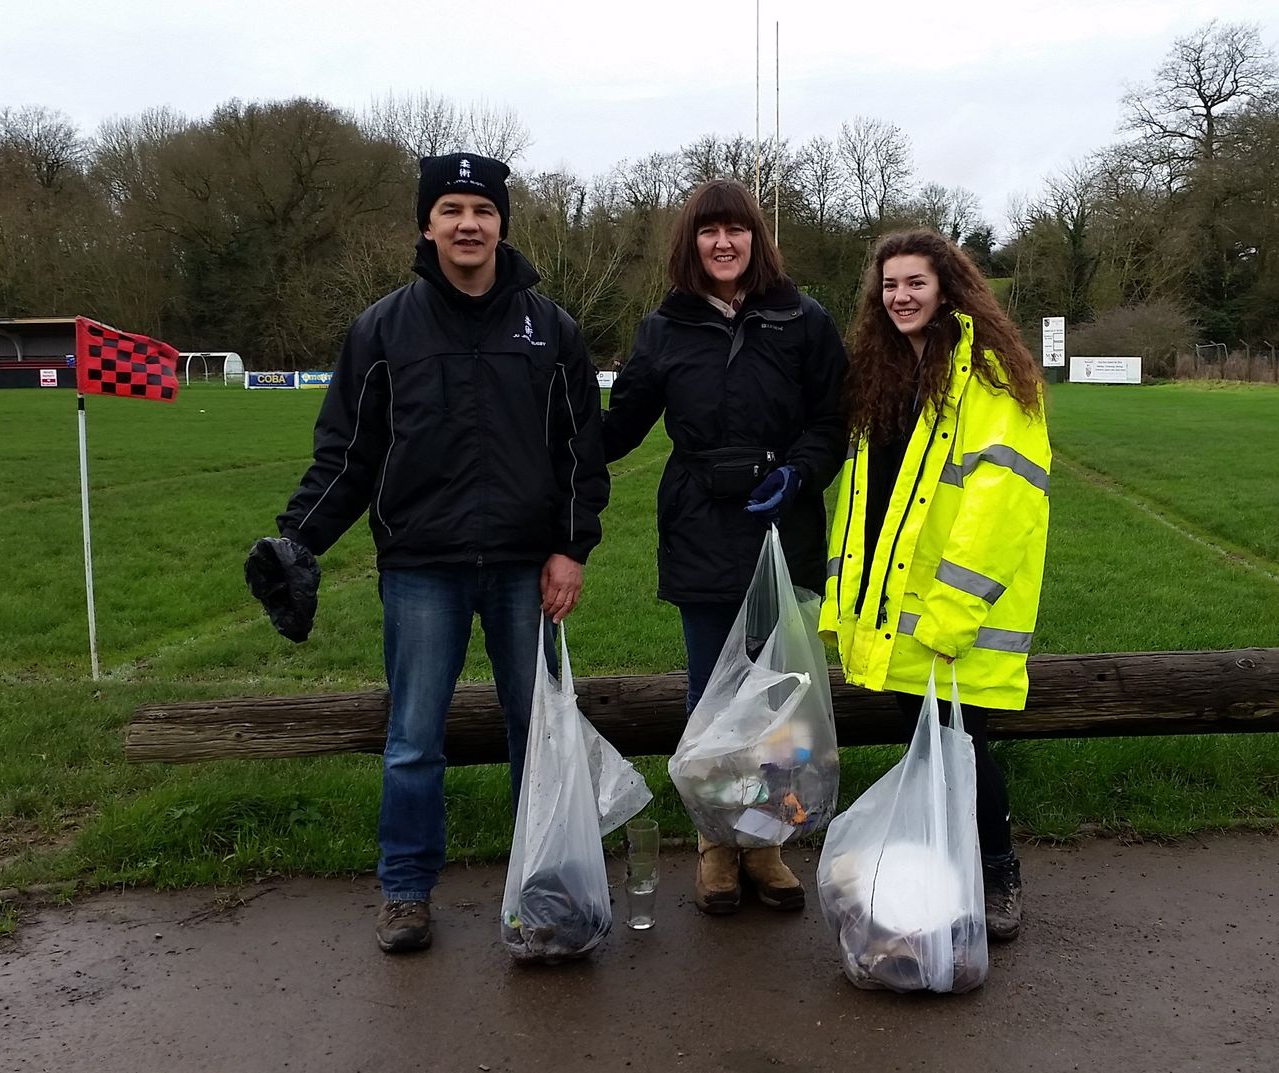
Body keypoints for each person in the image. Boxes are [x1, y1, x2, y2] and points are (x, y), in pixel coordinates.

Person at [253, 153, 609, 955]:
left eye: (481, 210)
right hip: (421, 567)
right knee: (414, 737)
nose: (468, 224)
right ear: (427, 223)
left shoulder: (551, 330)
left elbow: (582, 454)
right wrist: (296, 535)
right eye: (451, 209)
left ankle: (544, 886)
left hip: (528, 567)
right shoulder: (382, 329)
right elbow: (346, 453)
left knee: (537, 732)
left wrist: (571, 548)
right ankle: (406, 890)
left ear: (501, 224)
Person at [602, 179, 847, 915]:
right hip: (700, 530)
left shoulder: (803, 320)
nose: (723, 243)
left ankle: (766, 840)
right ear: (692, 243)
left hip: (781, 529)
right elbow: (621, 426)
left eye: (735, 229)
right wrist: (548, 426)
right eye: (709, 232)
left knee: (779, 701)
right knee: (711, 697)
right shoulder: (664, 328)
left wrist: (800, 473)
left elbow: (832, 421)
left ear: (755, 238)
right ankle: (716, 844)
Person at [820, 228, 1051, 942]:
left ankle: (998, 870)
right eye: (889, 285)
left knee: (964, 749)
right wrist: (847, 604)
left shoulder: (984, 373)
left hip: (957, 612)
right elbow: (865, 501)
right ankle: (943, 876)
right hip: (895, 614)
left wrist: (956, 607)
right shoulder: (885, 371)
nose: (900, 297)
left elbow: (999, 500)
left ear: (947, 286)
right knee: (926, 753)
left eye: (915, 283)